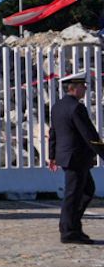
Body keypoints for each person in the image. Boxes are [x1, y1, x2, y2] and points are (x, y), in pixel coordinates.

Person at [47, 70, 104, 244]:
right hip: (76, 158)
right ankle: (68, 231)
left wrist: (52, 155)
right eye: (82, 86)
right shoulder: (76, 107)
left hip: (67, 157)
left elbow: (53, 132)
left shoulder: (58, 106)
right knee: (73, 195)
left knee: (86, 190)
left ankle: (72, 225)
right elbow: (90, 135)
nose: (85, 89)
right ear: (74, 88)